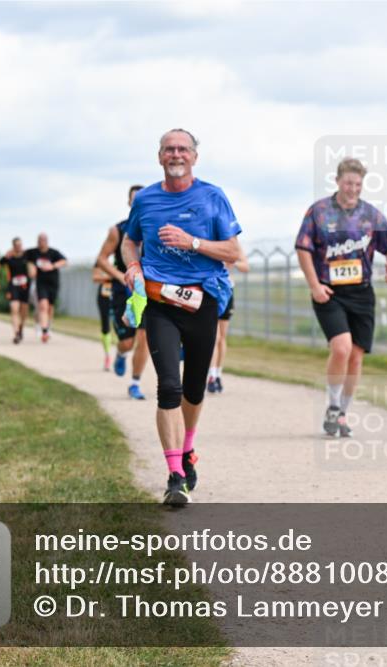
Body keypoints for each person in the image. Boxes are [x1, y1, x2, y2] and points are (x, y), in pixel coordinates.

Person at [121, 128, 242, 505]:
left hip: (201, 301)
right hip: (159, 302)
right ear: (160, 157)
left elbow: (234, 251)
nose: (176, 154)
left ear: (194, 157)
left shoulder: (212, 197)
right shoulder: (146, 199)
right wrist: (135, 267)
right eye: (169, 149)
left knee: (193, 388)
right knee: (169, 386)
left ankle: (188, 450)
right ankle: (175, 475)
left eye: (183, 149)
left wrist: (192, 243)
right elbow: (130, 240)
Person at [295, 157, 387, 437]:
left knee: (355, 357)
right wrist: (315, 285)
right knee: (341, 348)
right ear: (338, 181)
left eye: (358, 184)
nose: (353, 188)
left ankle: (342, 412)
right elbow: (303, 248)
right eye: (348, 182)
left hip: (361, 292)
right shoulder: (318, 212)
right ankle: (331, 405)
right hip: (329, 291)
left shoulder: (371, 215)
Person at [96, 184, 150, 399]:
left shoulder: (155, 227)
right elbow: (101, 259)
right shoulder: (117, 231)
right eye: (134, 200)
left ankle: (135, 383)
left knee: (144, 337)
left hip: (147, 290)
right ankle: (121, 353)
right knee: (127, 342)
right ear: (129, 203)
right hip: (123, 289)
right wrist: (119, 275)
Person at [207, 251, 249, 394]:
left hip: (227, 290)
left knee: (222, 337)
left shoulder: (232, 243)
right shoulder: (209, 238)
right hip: (212, 288)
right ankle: (211, 375)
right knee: (215, 336)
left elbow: (245, 266)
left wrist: (233, 262)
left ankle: (218, 373)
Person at [24, 233, 67, 342]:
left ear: (47, 241)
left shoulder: (54, 253)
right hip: (40, 283)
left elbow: (64, 261)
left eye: (43, 240)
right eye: (39, 240)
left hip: (53, 283)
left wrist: (52, 266)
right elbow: (21, 256)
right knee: (43, 306)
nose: (41, 242)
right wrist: (30, 266)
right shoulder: (32, 252)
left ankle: (48, 326)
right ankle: (44, 331)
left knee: (50, 307)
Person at [0, 237, 33, 344]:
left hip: (25, 286)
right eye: (16, 245)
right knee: (14, 308)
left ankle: (21, 327)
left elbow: (33, 266)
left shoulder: (27, 255)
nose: (18, 247)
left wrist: (33, 270)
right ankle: (16, 333)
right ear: (13, 246)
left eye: (20, 245)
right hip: (13, 286)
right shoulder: (8, 257)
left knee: (24, 311)